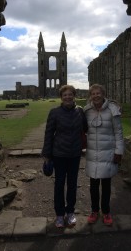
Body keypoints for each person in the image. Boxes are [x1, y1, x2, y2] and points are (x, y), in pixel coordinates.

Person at [41, 85, 87, 228]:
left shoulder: (80, 111)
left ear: (74, 95)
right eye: (65, 95)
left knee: (72, 184)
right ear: (61, 97)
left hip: (74, 154)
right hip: (59, 154)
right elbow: (48, 134)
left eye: (70, 94)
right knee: (59, 185)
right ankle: (60, 215)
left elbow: (86, 128)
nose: (68, 97)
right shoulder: (54, 113)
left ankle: (71, 213)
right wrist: (47, 155)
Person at [83, 84, 124, 225]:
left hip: (108, 152)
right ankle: (94, 211)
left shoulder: (113, 110)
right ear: (90, 95)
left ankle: (106, 212)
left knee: (106, 185)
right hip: (93, 153)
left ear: (103, 94)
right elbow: (81, 130)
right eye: (93, 93)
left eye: (98, 93)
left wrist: (119, 151)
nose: (96, 96)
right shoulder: (86, 111)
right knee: (93, 186)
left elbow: (119, 132)